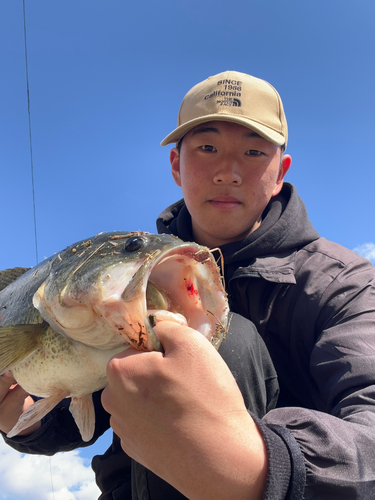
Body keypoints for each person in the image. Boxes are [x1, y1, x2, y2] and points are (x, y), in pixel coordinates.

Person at [1, 70, 375, 499]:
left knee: (227, 340)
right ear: (177, 164)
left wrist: (262, 467)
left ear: (279, 173)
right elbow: (81, 413)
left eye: (254, 152)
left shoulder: (346, 285)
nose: (229, 172)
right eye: (208, 147)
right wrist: (23, 417)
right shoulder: (122, 286)